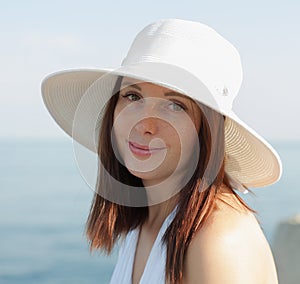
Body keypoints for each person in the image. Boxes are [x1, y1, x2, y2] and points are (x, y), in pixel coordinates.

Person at [41, 19, 282, 283]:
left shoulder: (218, 239)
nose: (144, 124)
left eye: (175, 105)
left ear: (208, 130)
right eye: (133, 96)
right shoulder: (148, 218)